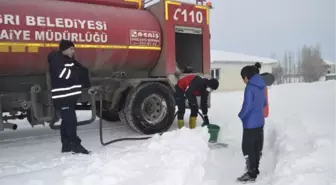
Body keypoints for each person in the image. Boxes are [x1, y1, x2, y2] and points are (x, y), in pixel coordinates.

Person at [47, 39, 91, 155]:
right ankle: (75, 145)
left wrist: (82, 74)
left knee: (66, 122)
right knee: (71, 122)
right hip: (63, 97)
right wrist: (77, 74)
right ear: (64, 49)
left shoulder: (67, 59)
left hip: (69, 97)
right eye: (71, 49)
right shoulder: (57, 60)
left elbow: (79, 70)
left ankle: (66, 146)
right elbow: (63, 74)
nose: (73, 51)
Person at [237, 65, 266, 182]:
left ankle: (251, 173)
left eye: (243, 78)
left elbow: (247, 106)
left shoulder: (249, 88)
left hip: (250, 123)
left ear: (246, 77)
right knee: (257, 147)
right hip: (260, 121)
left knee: (247, 148)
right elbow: (264, 103)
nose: (243, 81)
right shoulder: (261, 86)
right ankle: (256, 169)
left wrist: (241, 115)